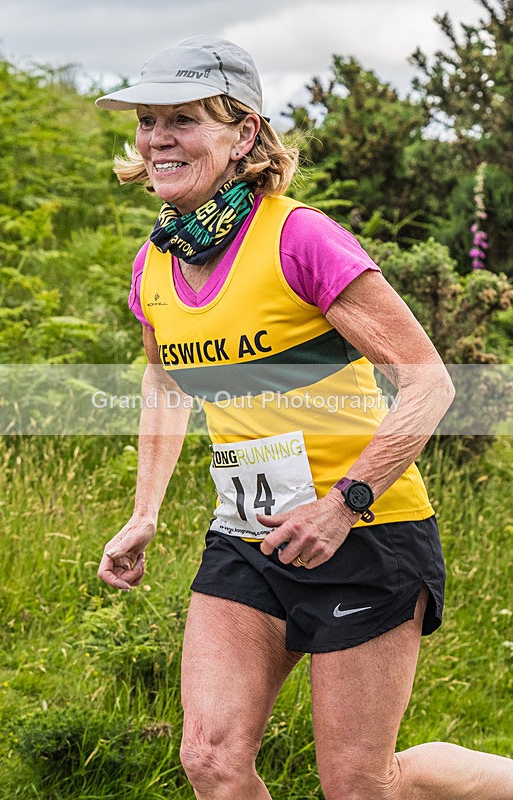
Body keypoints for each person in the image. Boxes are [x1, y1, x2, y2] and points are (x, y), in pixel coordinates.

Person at [96, 36, 513, 800]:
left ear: (242, 132)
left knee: (360, 784)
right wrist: (143, 512)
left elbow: (429, 384)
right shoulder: (154, 261)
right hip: (248, 538)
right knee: (211, 761)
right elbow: (164, 381)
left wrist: (342, 505)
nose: (157, 138)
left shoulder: (298, 236)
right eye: (147, 120)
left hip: (367, 534)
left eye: (182, 119)